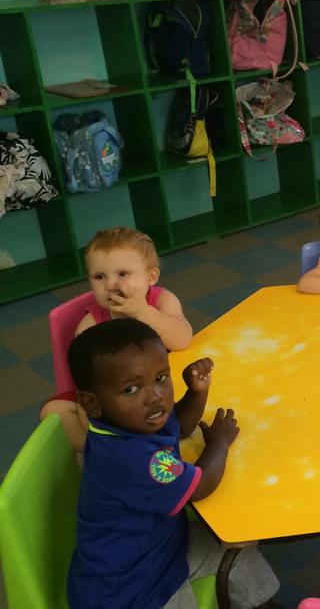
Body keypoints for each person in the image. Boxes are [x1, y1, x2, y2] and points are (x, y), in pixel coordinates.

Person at [66, 319, 280, 609]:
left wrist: (196, 392)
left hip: (160, 546)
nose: (155, 397)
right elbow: (201, 486)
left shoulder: (130, 422)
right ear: (91, 403)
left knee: (238, 551)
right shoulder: (132, 458)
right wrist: (218, 443)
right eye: (131, 389)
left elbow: (178, 424)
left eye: (161, 378)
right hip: (131, 591)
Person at [40, 227, 193, 454]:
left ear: (151, 277)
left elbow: (182, 339)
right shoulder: (90, 325)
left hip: (159, 383)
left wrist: (143, 312)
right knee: (53, 410)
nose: (111, 284)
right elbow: (87, 384)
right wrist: (96, 427)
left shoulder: (162, 301)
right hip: (114, 393)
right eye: (99, 277)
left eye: (122, 274)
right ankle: (101, 448)